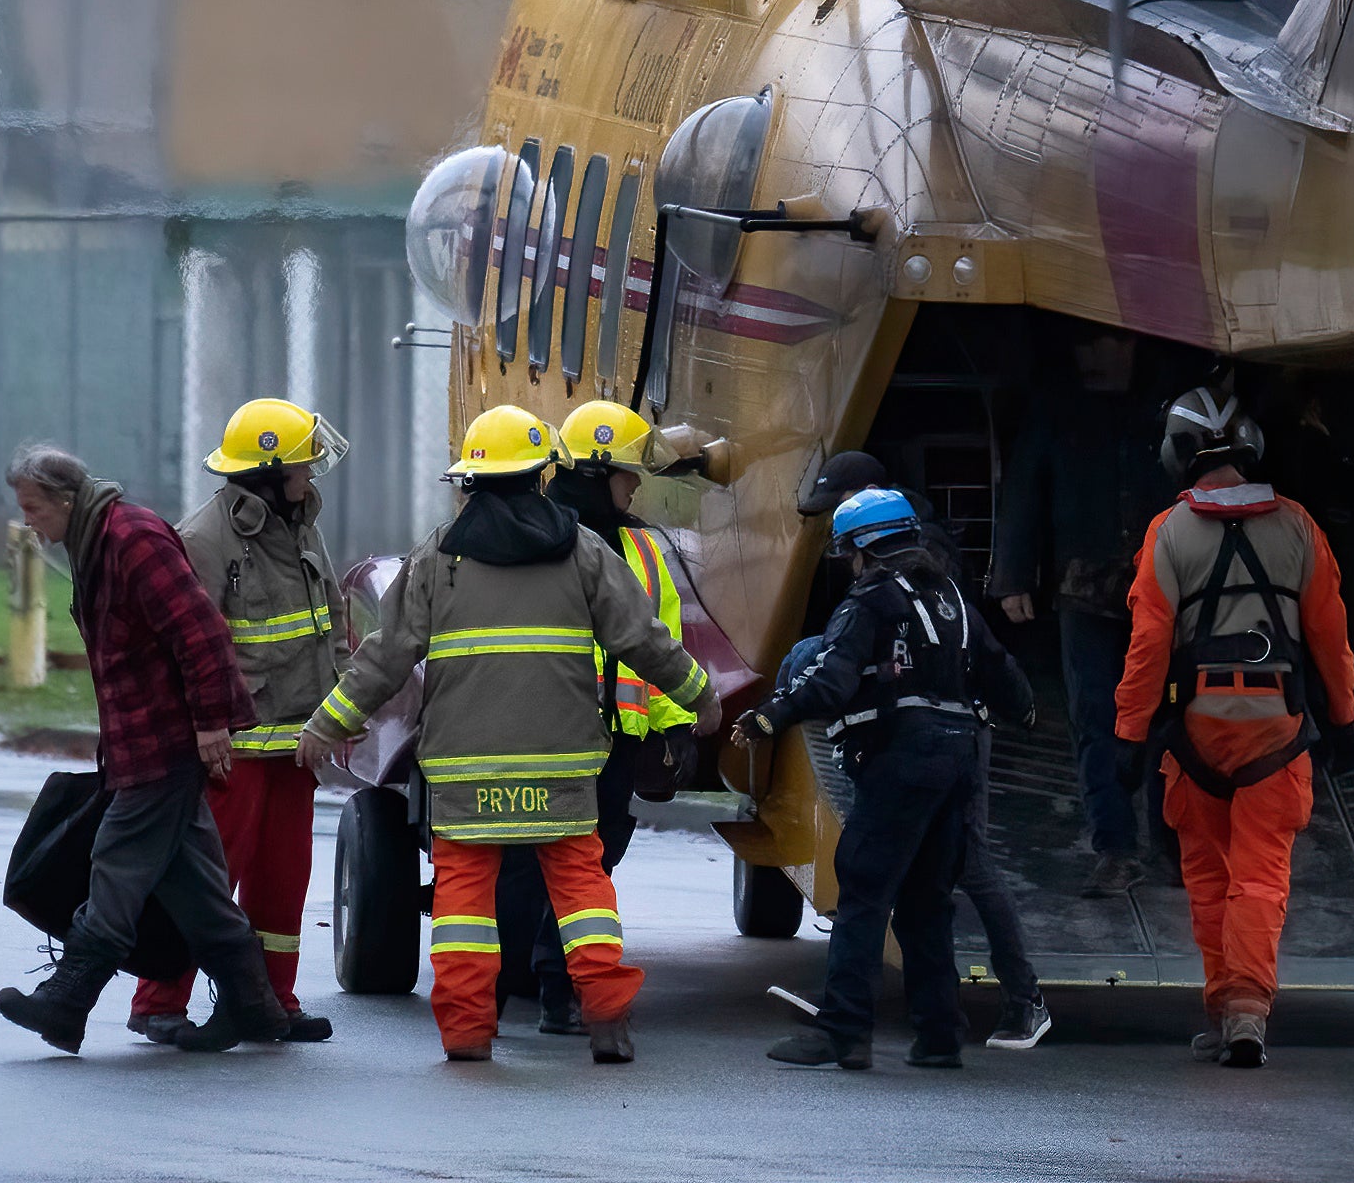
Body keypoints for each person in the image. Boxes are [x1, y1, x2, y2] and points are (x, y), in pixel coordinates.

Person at [302, 405, 707, 1066]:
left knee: (463, 905)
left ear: (471, 482)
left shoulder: (438, 557)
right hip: (563, 769)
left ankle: (467, 1035)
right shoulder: (586, 552)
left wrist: (328, 724)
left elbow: (387, 654)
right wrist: (701, 699)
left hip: (466, 775)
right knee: (583, 892)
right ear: (539, 474)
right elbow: (644, 640)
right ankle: (603, 1016)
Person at [0, 442, 297, 1056]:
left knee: (115, 864)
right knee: (198, 892)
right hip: (141, 741)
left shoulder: (131, 539)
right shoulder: (96, 539)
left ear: (66, 500)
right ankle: (256, 1008)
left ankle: (66, 1002)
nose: (28, 521)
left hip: (163, 743)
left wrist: (213, 725)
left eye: (33, 508)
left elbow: (201, 631)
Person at [738, 485, 1035, 1071]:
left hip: (901, 762)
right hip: (958, 763)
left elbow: (830, 682)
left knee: (865, 894)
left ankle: (844, 1030)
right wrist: (1024, 709)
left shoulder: (870, 601)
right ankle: (940, 1035)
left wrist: (770, 715)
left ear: (865, 548)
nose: (849, 563)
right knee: (927, 900)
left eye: (850, 551)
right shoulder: (951, 598)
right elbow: (1000, 670)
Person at [1112, 382, 1354, 1069]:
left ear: (1176, 454)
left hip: (1195, 738)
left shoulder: (1167, 534)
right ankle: (1247, 1012)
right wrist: (1343, 720)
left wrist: (1130, 737)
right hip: (1278, 735)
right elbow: (1330, 639)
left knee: (1210, 880)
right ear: (1249, 447)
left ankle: (1224, 1006)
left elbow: (1147, 649)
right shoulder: (1301, 528)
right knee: (1260, 879)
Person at [802, 453, 1046, 1048]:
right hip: (956, 733)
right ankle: (941, 1028)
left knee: (959, 866)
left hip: (938, 739)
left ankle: (1022, 997)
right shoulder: (921, 548)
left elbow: (947, 649)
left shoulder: (905, 569)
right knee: (931, 884)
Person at [127, 398, 348, 1045]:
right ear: (268, 472)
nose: (312, 473)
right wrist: (206, 726)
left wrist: (338, 711)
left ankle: (271, 1000)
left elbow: (330, 620)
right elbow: (182, 647)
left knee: (283, 884)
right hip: (236, 747)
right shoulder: (203, 539)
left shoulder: (302, 523)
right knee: (206, 880)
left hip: (298, 742)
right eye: (303, 463)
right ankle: (158, 1000)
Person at [491, 400, 695, 1036]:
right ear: (599, 470)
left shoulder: (640, 546)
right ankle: (509, 994)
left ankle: (561, 994)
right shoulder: (540, 537)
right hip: (549, 738)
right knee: (535, 869)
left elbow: (659, 640)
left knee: (593, 867)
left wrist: (672, 724)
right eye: (629, 473)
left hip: (616, 741)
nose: (635, 486)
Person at [992, 331, 1168, 895]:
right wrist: (1013, 576)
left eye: (1106, 341)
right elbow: (1024, 489)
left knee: (1168, 720)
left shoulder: (1166, 409)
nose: (1090, 353)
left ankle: (1172, 848)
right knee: (1094, 716)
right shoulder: (1057, 409)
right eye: (1083, 342)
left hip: (1161, 591)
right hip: (1084, 589)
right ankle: (1116, 848)